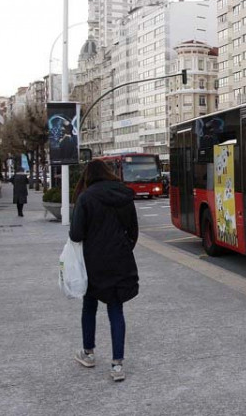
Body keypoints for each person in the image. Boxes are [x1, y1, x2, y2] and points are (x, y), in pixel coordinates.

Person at [69, 160, 139, 382]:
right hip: (120, 260)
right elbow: (133, 231)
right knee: (116, 310)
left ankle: (88, 353)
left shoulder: (86, 197)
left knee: (89, 306)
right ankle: (117, 365)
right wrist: (123, 248)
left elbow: (76, 234)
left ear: (88, 176)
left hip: (93, 262)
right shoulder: (124, 196)